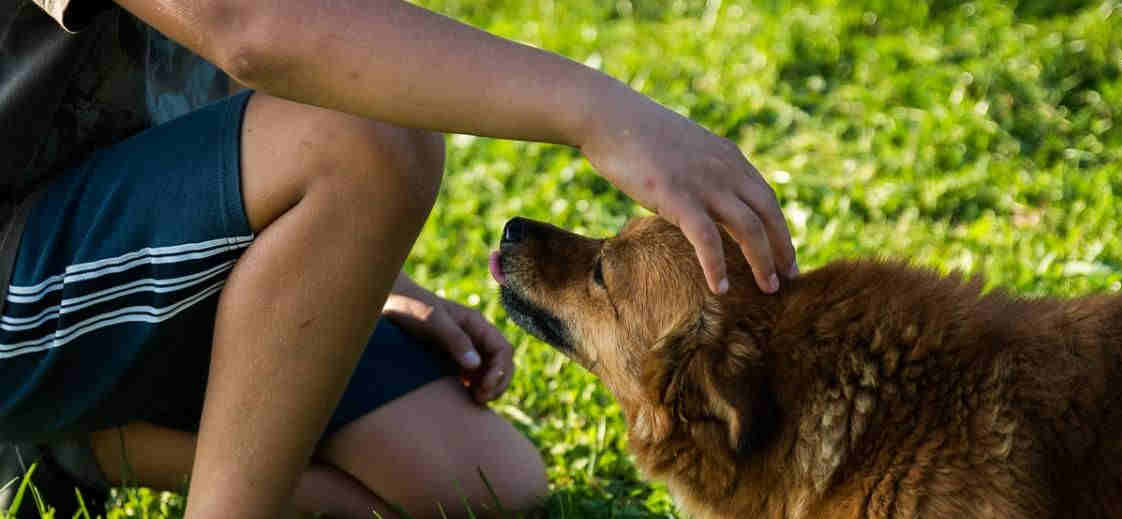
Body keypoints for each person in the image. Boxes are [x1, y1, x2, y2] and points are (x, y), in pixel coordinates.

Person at [0, 0, 798, 517]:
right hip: (17, 259)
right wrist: (600, 112)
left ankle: (77, 443)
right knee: (374, 141)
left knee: (476, 483)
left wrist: (353, 269)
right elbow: (248, 25)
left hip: (118, 231)